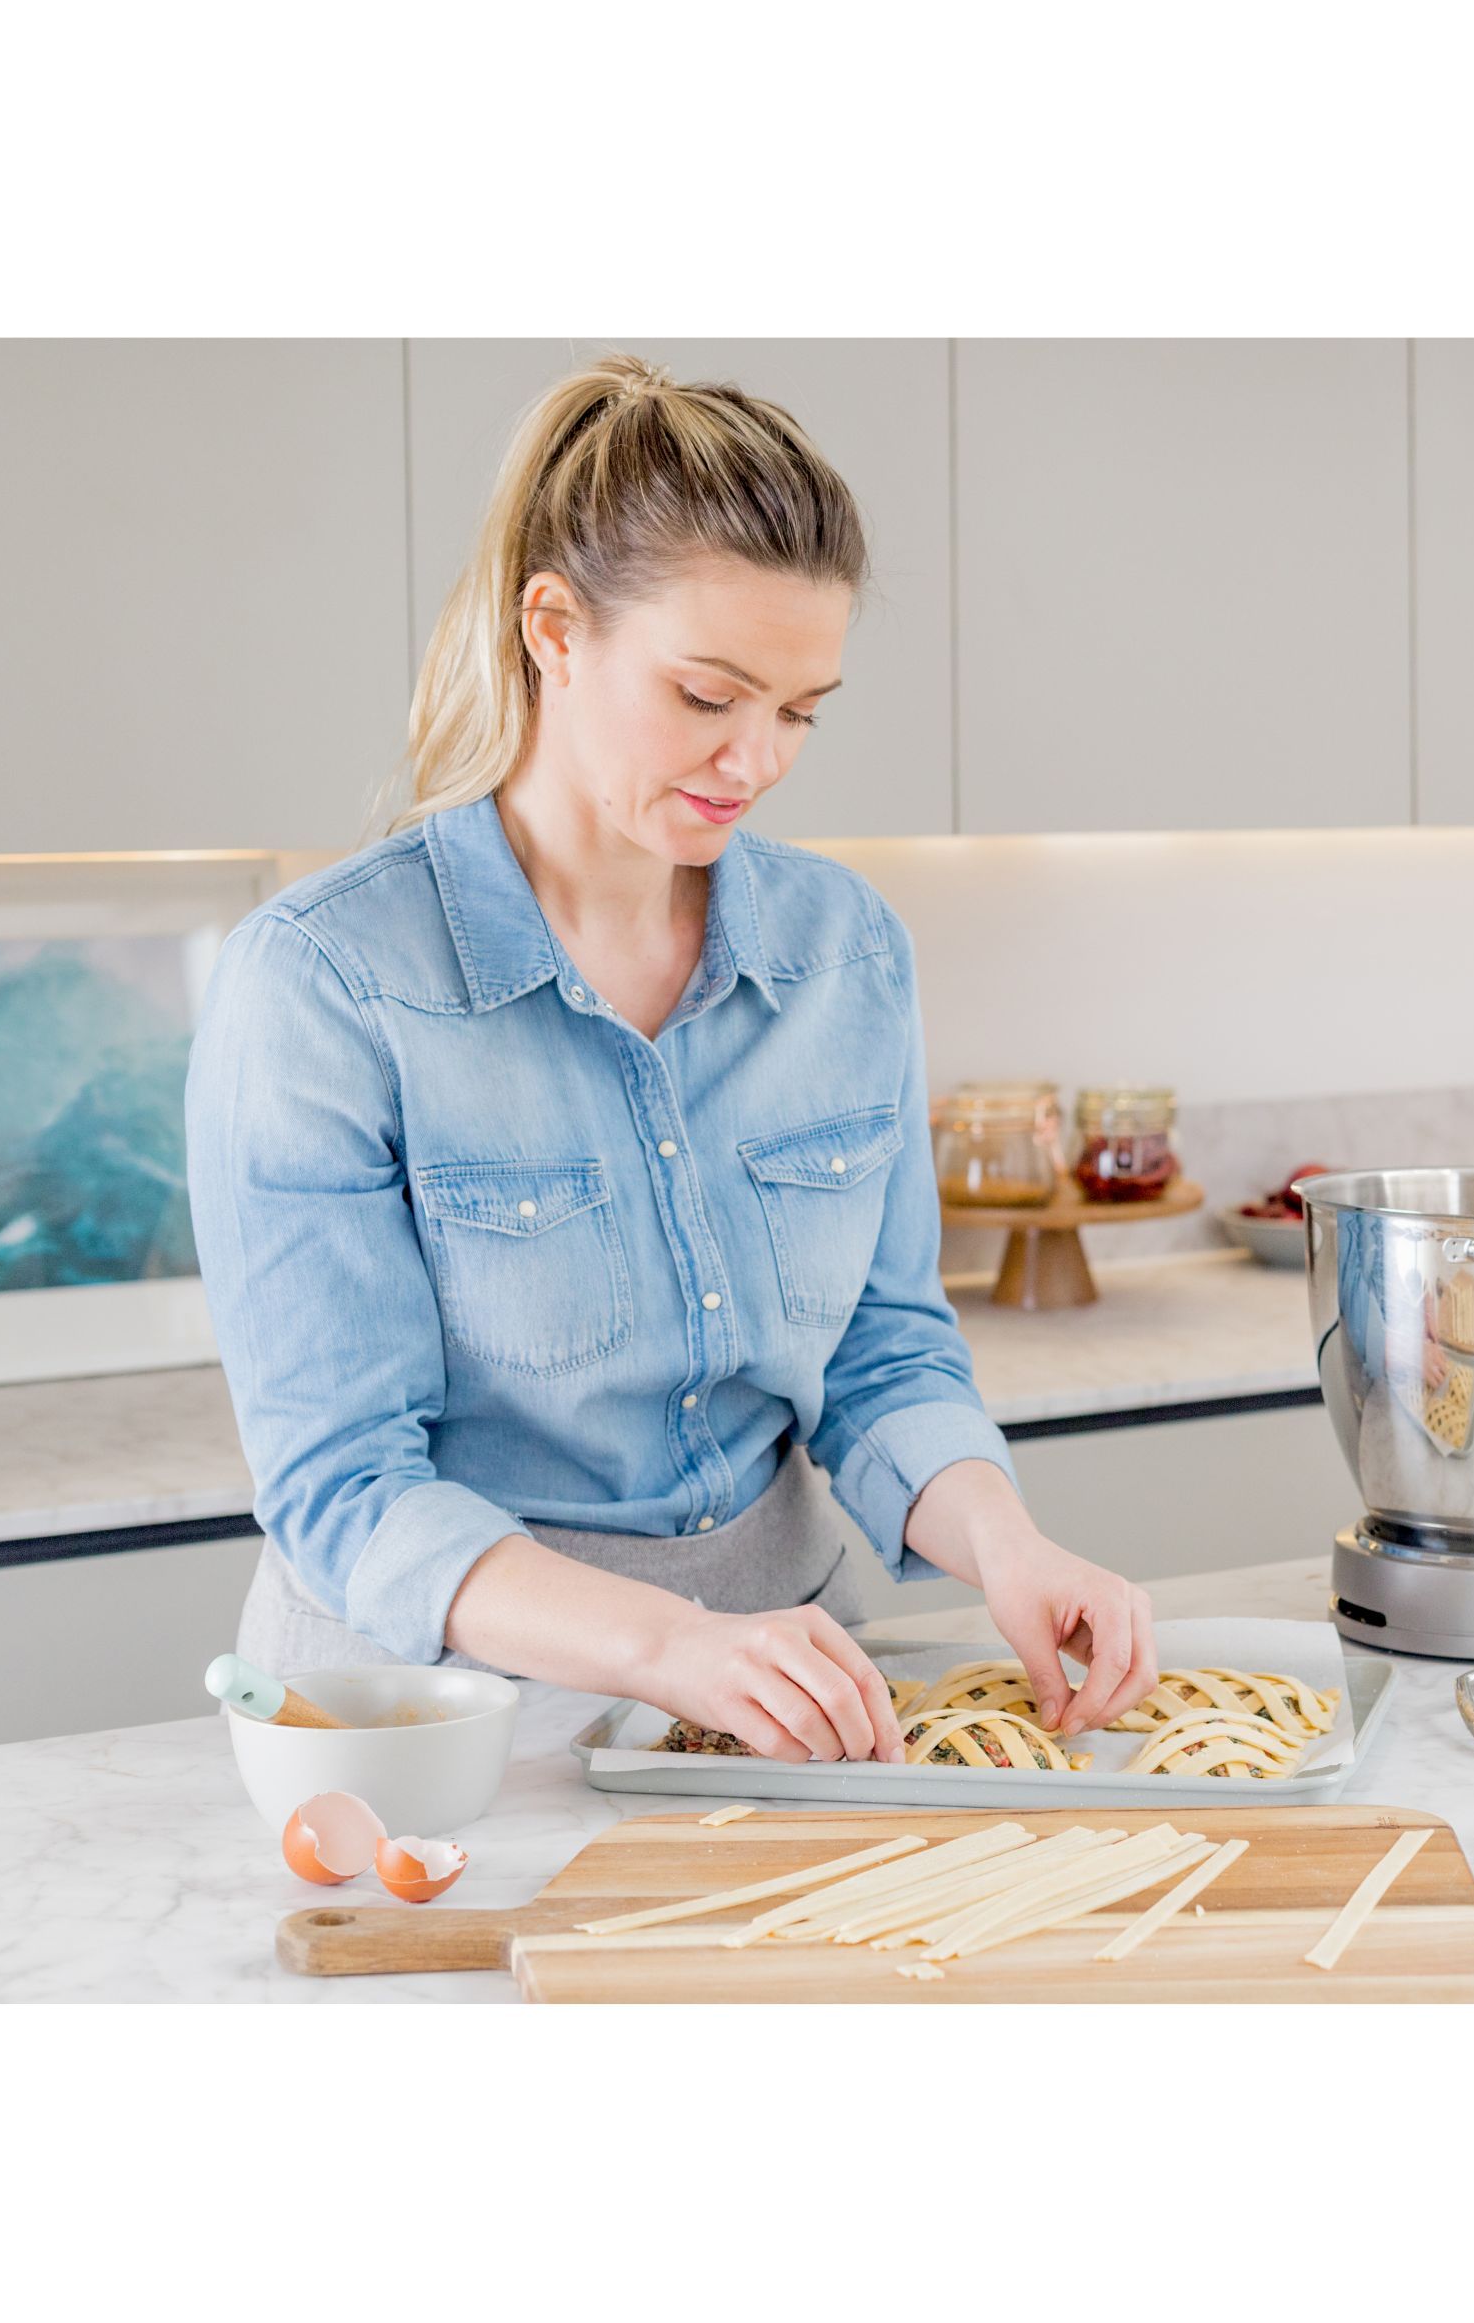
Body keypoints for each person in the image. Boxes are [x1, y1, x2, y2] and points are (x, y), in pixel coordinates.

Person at [184, 355, 1156, 1758]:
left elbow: (880, 1349)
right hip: (442, 1732)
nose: (754, 761)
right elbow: (344, 1486)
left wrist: (1008, 1544)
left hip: (788, 1697)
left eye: (800, 710)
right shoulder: (325, 982)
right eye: (708, 696)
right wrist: (669, 1647)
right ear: (554, 630)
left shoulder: (846, 954)